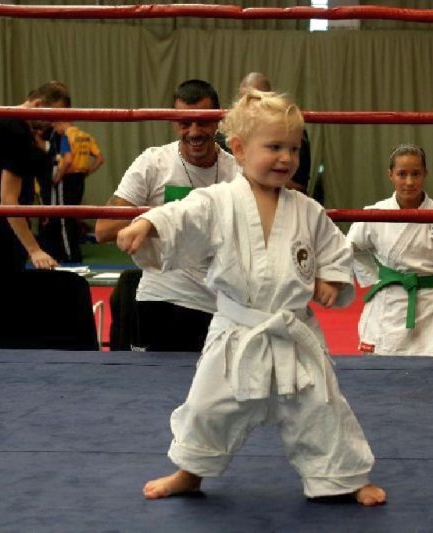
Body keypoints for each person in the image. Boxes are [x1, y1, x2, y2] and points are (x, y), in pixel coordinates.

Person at [116, 89, 385, 505]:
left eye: (293, 149)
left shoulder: (307, 209)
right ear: (239, 149)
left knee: (321, 407)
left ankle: (343, 476)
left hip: (292, 332)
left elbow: (334, 248)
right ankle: (190, 472)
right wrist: (147, 225)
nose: (286, 158)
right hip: (236, 330)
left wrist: (330, 278)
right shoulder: (218, 200)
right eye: (274, 147)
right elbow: (179, 215)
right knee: (207, 407)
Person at [95, 79, 239, 352]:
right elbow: (104, 229)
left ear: (218, 120)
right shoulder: (154, 163)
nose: (194, 132)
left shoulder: (237, 171)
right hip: (162, 297)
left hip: (221, 302)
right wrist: (160, 220)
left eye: (202, 122)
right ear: (173, 122)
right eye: (184, 123)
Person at [347, 144, 433, 356]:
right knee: (380, 369)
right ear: (390, 175)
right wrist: (373, 276)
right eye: (402, 174)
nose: (409, 182)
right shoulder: (374, 213)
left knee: (430, 370)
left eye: (416, 174)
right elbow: (349, 247)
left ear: (425, 174)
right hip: (387, 305)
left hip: (430, 309)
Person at [0, 81, 70, 347]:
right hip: (1, 226)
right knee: (2, 295)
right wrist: (34, 249)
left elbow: (34, 166)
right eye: (51, 116)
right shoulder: (14, 130)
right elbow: (8, 200)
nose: (51, 124)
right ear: (37, 104)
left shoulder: (4, 121)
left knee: (0, 294)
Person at [217, 72, 312, 193]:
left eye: (258, 99)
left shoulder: (293, 133)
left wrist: (263, 179)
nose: (286, 158)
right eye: (245, 99)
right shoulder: (223, 136)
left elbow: (301, 185)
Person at [48, 121, 104, 262]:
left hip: (67, 177)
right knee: (73, 215)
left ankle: (69, 254)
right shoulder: (85, 136)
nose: (54, 128)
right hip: (79, 178)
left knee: (64, 216)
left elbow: (67, 160)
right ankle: (74, 252)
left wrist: (57, 177)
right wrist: (87, 172)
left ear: (61, 122)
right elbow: (100, 159)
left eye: (55, 125)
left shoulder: (65, 136)